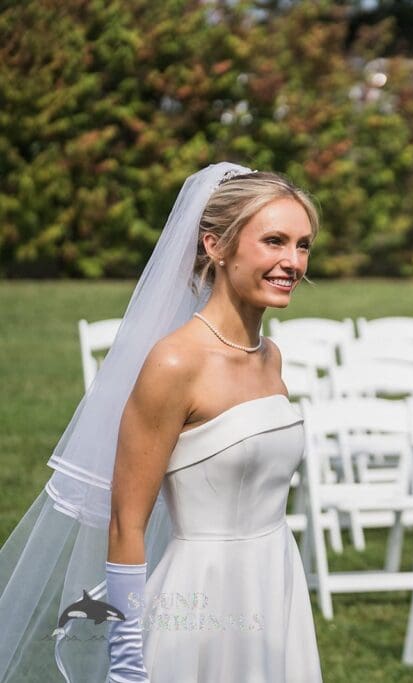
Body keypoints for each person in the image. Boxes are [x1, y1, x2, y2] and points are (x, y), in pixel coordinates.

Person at [0, 163, 322, 683]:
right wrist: (128, 660)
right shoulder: (174, 364)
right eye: (274, 241)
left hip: (276, 580)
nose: (292, 261)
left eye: (302, 245)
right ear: (215, 246)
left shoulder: (271, 357)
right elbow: (127, 523)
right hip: (201, 603)